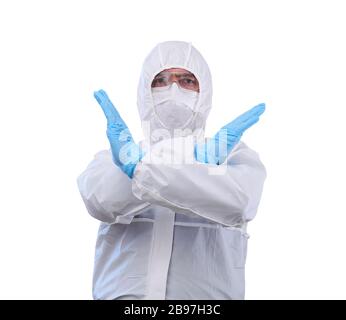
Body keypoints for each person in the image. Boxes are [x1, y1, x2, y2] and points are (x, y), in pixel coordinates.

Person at [77, 41, 266, 300]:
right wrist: (198, 171)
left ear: (205, 92)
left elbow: (239, 203)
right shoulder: (113, 156)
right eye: (161, 80)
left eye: (187, 80)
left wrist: (137, 170)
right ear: (145, 90)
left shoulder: (233, 154)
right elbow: (101, 201)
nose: (173, 89)